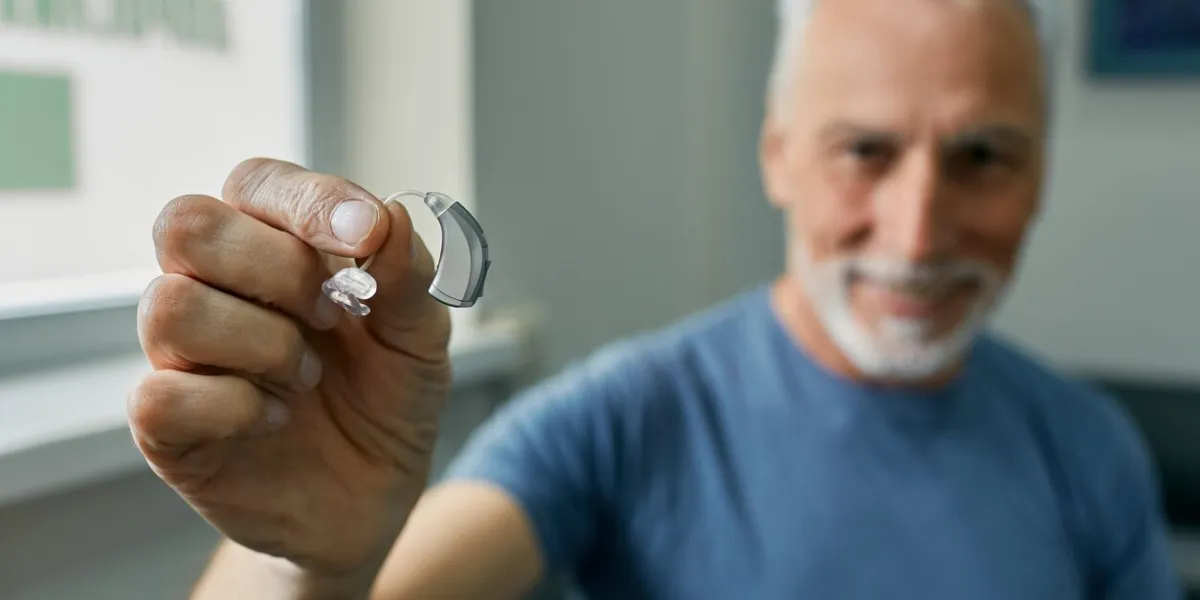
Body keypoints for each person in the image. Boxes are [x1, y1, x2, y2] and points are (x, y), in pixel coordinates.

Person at [127, 0, 1183, 598]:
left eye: (984, 156)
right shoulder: (626, 417)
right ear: (777, 156)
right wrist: (305, 557)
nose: (916, 233)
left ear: (1039, 175)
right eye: (864, 150)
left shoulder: (1087, 449)